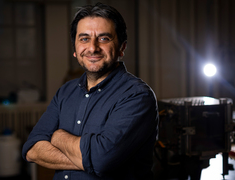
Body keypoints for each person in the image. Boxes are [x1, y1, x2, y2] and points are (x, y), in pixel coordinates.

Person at [22, 2, 159, 180]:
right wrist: (91, 160)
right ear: (75, 48)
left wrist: (57, 136)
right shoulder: (65, 92)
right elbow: (32, 150)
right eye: (84, 38)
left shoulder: (137, 96)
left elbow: (102, 159)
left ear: (122, 48)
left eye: (104, 38)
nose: (93, 48)